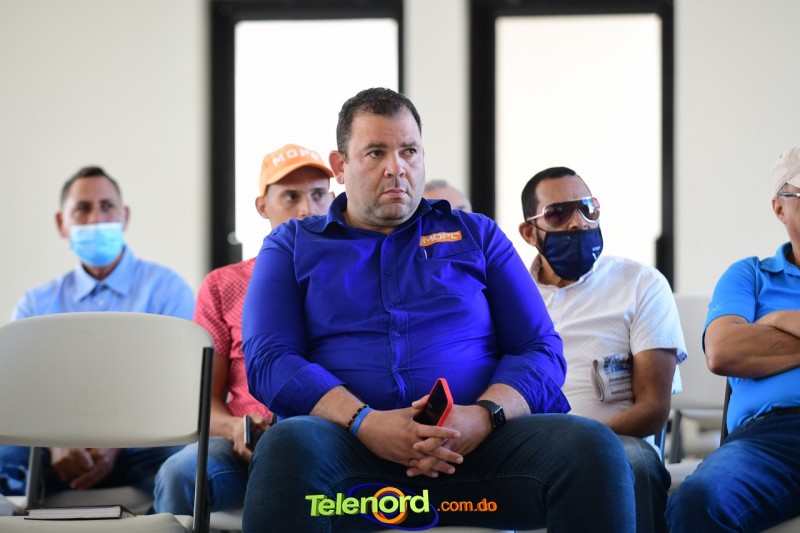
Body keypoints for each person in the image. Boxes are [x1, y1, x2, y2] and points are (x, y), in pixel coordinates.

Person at [240, 87, 635, 532]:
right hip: (350, 471)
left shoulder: (477, 235)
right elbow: (269, 359)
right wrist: (365, 423)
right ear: (340, 166)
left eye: (409, 151)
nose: (396, 168)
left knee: (591, 447)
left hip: (477, 461)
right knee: (287, 446)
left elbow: (540, 348)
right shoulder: (291, 245)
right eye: (376, 153)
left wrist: (483, 416)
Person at [152, 144, 335, 515]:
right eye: (291, 197)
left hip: (330, 437)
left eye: (318, 195)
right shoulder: (224, 285)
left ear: (333, 201)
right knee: (179, 474)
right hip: (247, 443)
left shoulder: (352, 276)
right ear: (262, 207)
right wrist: (236, 428)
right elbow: (204, 400)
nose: (307, 209)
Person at [0, 166, 194, 501]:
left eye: (106, 206)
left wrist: (116, 441)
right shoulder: (35, 304)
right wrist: (55, 441)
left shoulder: (167, 290)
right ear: (62, 223)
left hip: (145, 442)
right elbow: (22, 389)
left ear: (125, 215)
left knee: (188, 466)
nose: (96, 218)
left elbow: (177, 382)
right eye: (82, 208)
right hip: (51, 447)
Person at [518, 166, 687, 532]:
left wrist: (584, 444)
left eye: (588, 208)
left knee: (635, 466)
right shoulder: (511, 293)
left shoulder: (639, 283)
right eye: (558, 213)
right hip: (528, 446)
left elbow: (653, 409)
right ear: (530, 232)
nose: (578, 222)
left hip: (618, 442)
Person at [666, 146, 800, 532]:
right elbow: (724, 351)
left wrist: (777, 321)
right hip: (769, 440)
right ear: (779, 208)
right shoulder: (750, 276)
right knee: (698, 501)